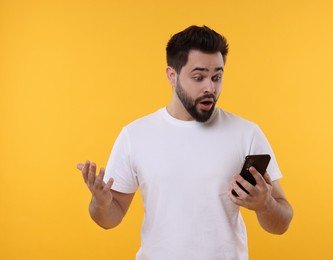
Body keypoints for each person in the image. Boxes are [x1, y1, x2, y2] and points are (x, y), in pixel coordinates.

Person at [77, 25, 293, 259]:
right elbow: (110, 218)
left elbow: (281, 224)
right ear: (172, 75)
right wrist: (100, 203)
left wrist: (265, 204)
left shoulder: (246, 133)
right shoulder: (135, 135)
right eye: (198, 77)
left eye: (217, 77)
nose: (210, 87)